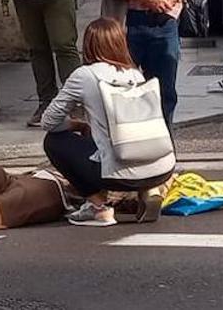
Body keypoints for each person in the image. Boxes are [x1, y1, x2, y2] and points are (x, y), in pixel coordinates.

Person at [40, 18, 177, 226]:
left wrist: (77, 125)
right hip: (162, 168)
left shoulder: (84, 75)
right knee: (113, 141)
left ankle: (98, 208)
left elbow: (49, 121)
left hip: (118, 175)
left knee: (54, 141)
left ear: (88, 45)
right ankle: (148, 190)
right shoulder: (136, 74)